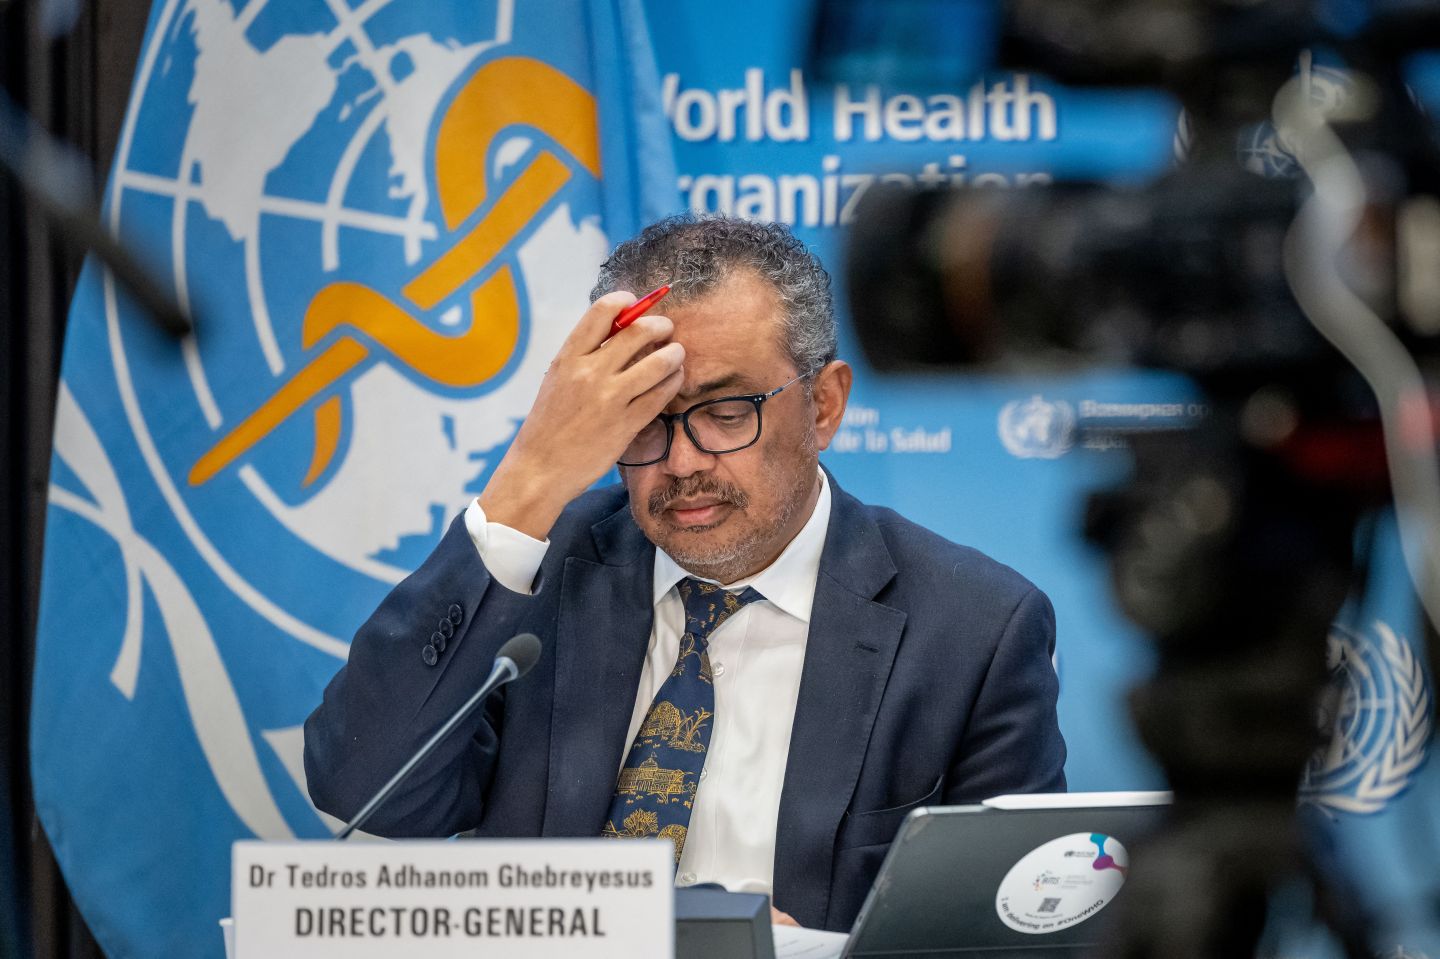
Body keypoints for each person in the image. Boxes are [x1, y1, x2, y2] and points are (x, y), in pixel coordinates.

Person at [304, 214, 1065, 932]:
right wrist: (528, 479)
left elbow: (1002, 932)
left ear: (824, 406)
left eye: (727, 412)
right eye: (643, 419)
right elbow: (366, 790)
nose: (681, 461)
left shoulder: (973, 631)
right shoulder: (537, 570)